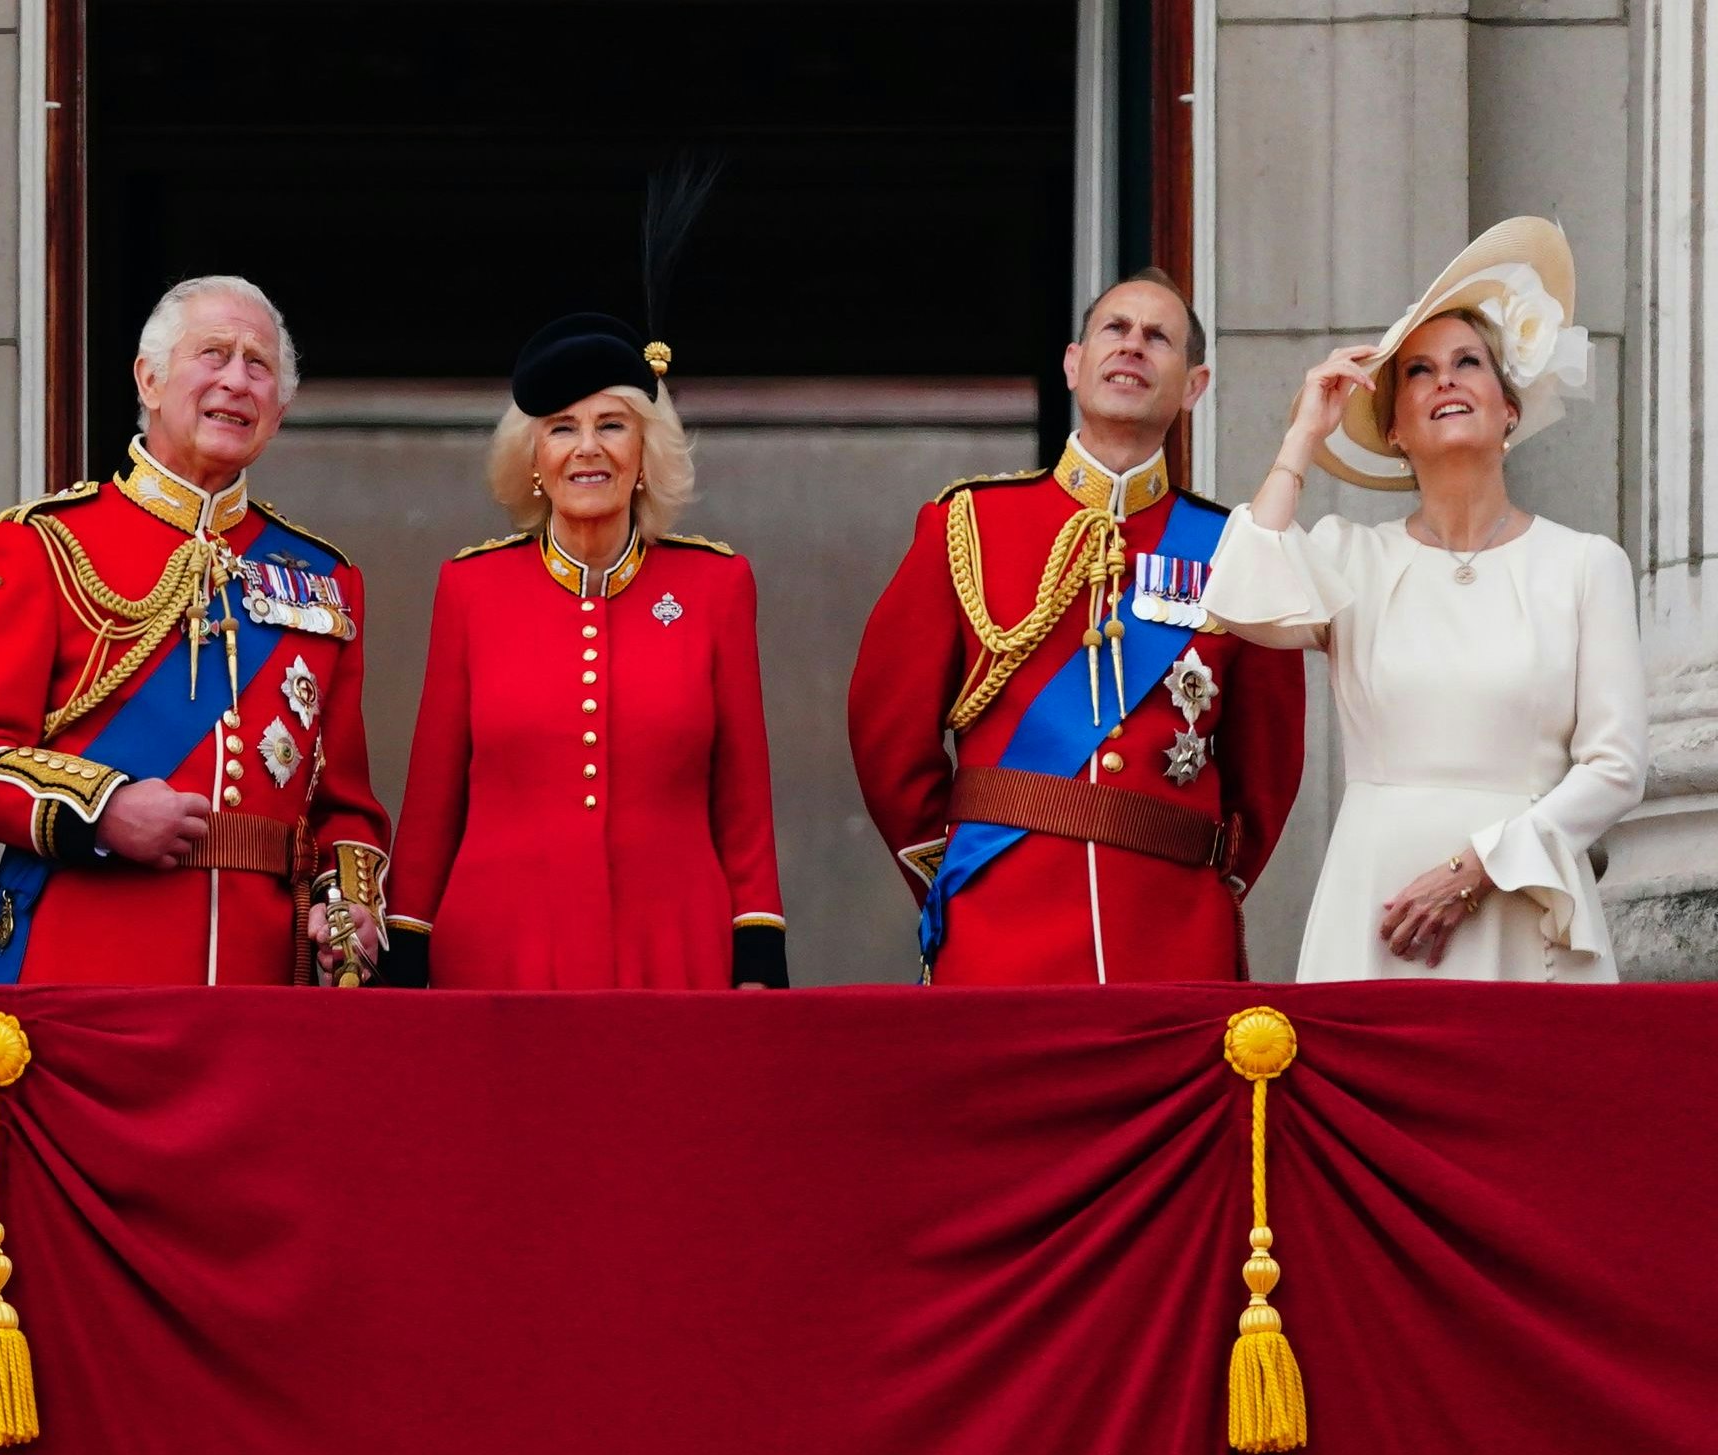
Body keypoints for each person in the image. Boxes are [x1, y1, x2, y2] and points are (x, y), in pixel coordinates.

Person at [0, 275, 390, 985]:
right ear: (150, 378)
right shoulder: (45, 544)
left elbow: (343, 807)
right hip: (87, 964)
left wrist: (347, 899)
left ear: (279, 409)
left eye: (258, 365)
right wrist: (101, 810)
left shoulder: (325, 579)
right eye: (214, 354)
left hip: (259, 982)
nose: (237, 380)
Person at [1204, 218, 1644, 981]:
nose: (1445, 379)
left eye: (1468, 362)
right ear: (1396, 429)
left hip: (1521, 904)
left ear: (1509, 409)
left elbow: (1616, 768)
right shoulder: (1352, 558)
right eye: (1417, 371)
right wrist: (1305, 433)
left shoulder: (1583, 565)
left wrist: (1481, 864)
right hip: (1376, 906)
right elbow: (1239, 599)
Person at [849, 270, 1303, 983]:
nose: (1133, 347)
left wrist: (1206, 889)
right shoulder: (968, 523)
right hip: (1000, 927)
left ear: (1195, 385)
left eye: (1159, 338)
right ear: (1073, 362)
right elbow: (889, 736)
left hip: (1173, 940)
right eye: (1114, 330)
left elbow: (1266, 773)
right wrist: (962, 866)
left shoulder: (1233, 552)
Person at [384, 315, 784, 989]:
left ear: (645, 451)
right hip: (498, 956)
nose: (587, 448)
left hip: (675, 951)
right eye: (562, 427)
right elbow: (432, 802)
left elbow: (743, 804)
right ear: (533, 458)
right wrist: (406, 948)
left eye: (612, 424)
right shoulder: (471, 588)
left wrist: (759, 953)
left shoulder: (716, 586)